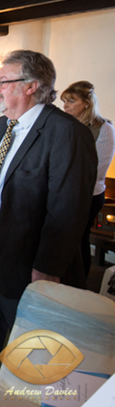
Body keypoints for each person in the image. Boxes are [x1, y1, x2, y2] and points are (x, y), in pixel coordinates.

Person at [0, 50, 97, 407]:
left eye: (2, 81)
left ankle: (34, 401)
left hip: (30, 259)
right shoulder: (1, 127)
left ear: (32, 86)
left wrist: (47, 268)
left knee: (35, 341)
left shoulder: (67, 134)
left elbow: (68, 209)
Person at [61, 81, 115, 278]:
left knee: (78, 238)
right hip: (65, 191)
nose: (65, 106)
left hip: (88, 194)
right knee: (64, 239)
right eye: (65, 101)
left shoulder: (103, 128)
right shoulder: (68, 126)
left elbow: (97, 169)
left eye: (71, 101)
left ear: (87, 103)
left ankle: (79, 281)